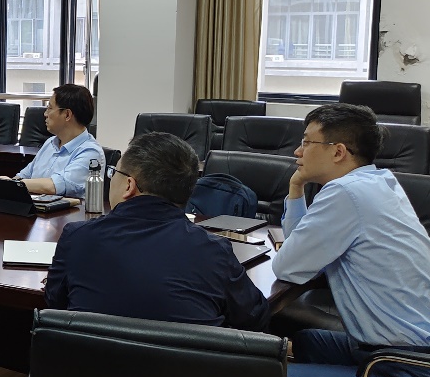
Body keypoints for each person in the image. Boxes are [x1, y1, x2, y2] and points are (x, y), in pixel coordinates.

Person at [274, 104, 430, 377]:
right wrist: (296, 187)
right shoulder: (378, 181)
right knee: (307, 342)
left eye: (307, 142)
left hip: (412, 375)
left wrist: (296, 191)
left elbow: (287, 267)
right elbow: (300, 249)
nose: (298, 151)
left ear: (338, 151)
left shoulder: (345, 193)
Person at [45, 131, 269, 330]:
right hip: (185, 365)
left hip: (89, 363)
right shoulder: (214, 251)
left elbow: (55, 304)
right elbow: (254, 318)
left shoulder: (78, 238)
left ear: (129, 186)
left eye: (114, 173)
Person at [10, 84, 103, 196]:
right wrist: (6, 183)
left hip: (67, 208)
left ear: (67, 115)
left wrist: (13, 184)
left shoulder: (91, 153)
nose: (45, 114)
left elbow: (55, 186)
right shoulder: (50, 143)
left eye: (49, 108)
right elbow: (25, 175)